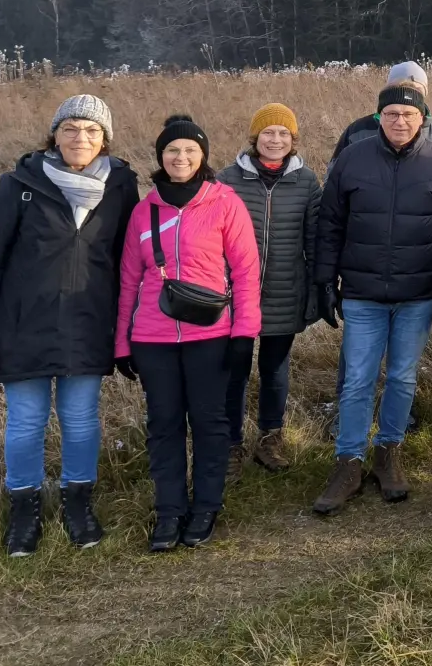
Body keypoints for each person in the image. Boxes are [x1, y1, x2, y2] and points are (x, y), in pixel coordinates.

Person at [0, 95, 139, 556]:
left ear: (105, 139)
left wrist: (129, 327)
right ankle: (24, 509)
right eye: (70, 129)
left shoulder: (121, 186)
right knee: (26, 421)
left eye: (91, 131)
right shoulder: (18, 185)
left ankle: (77, 503)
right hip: (23, 326)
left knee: (81, 419)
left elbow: (130, 262)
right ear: (54, 134)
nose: (80, 138)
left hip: (88, 324)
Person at [312, 86, 432, 516]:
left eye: (408, 114)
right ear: (379, 117)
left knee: (402, 377)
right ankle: (348, 461)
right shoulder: (352, 159)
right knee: (359, 379)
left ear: (423, 119)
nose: (400, 121)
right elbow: (330, 224)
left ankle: (388, 451)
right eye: (392, 114)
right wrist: (325, 281)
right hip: (363, 294)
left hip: (418, 296)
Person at [117, 115, 261, 552]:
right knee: (163, 423)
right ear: (161, 157)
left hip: (210, 335)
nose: (181, 157)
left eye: (190, 150)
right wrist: (122, 342)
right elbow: (128, 280)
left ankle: (206, 506)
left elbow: (246, 272)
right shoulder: (144, 210)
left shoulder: (225, 203)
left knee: (209, 421)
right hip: (153, 338)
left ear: (203, 156)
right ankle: (170, 510)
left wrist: (244, 335)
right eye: (172, 150)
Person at [221, 104, 322, 479]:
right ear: (255, 137)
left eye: (283, 134)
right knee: (234, 370)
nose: (275, 140)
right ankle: (231, 443)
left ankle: (270, 438)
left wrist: (315, 291)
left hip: (285, 291)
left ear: (292, 140)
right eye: (268, 133)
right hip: (236, 296)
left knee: (275, 369)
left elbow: (314, 241)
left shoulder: (307, 182)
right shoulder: (228, 179)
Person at [332, 61, 432, 157]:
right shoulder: (358, 131)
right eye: (400, 88)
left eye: (416, 90)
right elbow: (335, 178)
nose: (407, 94)